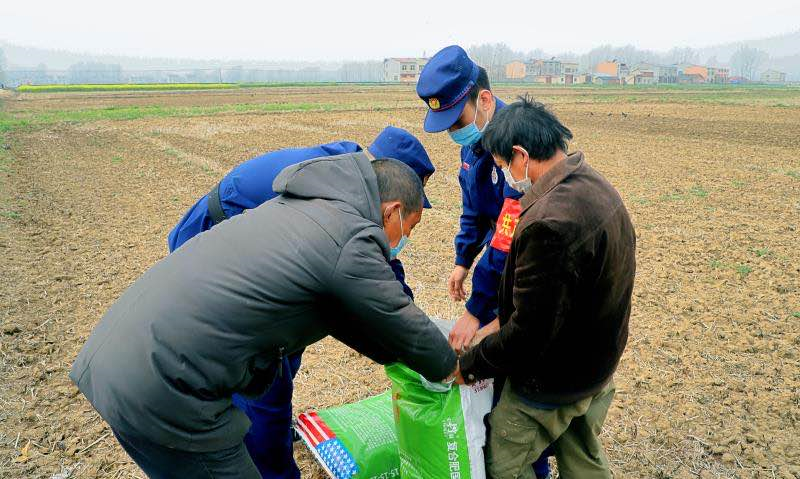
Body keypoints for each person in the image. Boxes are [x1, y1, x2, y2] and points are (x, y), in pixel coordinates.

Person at [70, 154, 457, 479]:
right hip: (165, 388)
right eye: (410, 227)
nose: (406, 238)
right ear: (392, 211)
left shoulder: (310, 209)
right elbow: (396, 317)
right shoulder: (348, 237)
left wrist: (398, 356)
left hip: (122, 359)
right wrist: (453, 365)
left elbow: (354, 321)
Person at [166, 126, 435, 478]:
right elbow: (354, 270)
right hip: (211, 236)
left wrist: (408, 315)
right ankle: (269, 460)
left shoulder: (353, 175)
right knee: (268, 370)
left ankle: (262, 430)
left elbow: (379, 259)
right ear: (388, 177)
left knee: (280, 361)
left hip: (254, 251)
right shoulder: (336, 190)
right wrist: (409, 334)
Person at [458, 96, 636, 479]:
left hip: (555, 381)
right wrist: (492, 326)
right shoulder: (597, 187)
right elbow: (559, 298)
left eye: (503, 166)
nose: (506, 176)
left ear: (521, 156)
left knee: (504, 462)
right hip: (596, 365)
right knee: (582, 455)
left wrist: (469, 366)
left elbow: (528, 335)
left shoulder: (547, 224)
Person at [417, 45, 553, 478]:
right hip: (500, 260)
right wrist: (462, 259)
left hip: (522, 264)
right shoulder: (473, 145)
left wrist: (477, 310)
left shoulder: (517, 148)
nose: (455, 133)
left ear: (485, 100)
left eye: (457, 121)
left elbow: (506, 237)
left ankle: (529, 458)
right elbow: (474, 209)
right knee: (494, 360)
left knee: (516, 362)